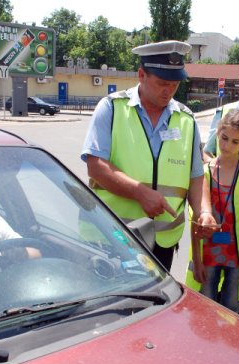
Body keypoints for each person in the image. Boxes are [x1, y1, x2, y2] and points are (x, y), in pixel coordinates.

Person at [81, 40, 215, 270]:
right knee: (116, 306)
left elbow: (195, 176)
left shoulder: (186, 119)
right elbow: (96, 166)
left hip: (163, 241)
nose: (169, 91)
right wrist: (140, 193)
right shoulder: (112, 108)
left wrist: (204, 211)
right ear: (141, 74)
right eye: (162, 83)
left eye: (174, 84)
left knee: (155, 306)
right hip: (112, 236)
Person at [185, 109, 239, 313]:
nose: (226, 146)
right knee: (205, 308)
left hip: (237, 256)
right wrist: (197, 260)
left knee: (231, 310)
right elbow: (195, 218)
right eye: (224, 138)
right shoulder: (204, 173)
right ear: (217, 133)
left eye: (235, 142)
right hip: (208, 254)